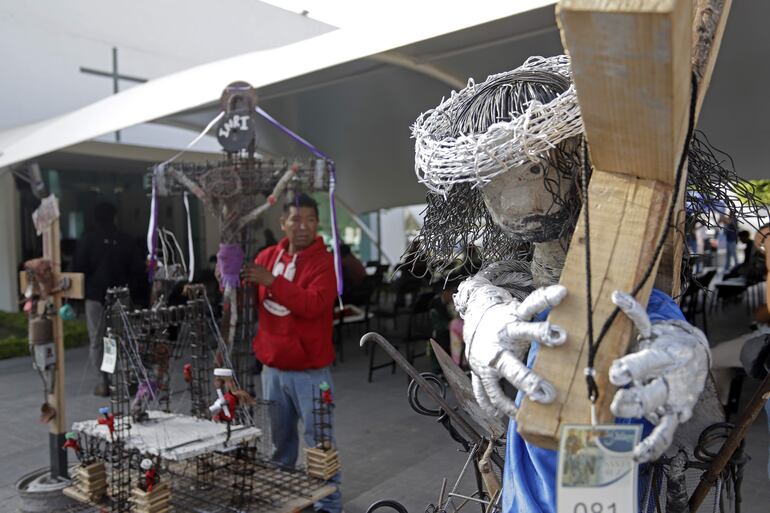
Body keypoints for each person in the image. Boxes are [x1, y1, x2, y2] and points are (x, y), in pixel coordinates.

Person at [407, 55, 763, 512]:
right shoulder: (512, 286)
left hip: (593, 453)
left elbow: (646, 308)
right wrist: (482, 310)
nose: (514, 191)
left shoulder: (618, 290)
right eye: (493, 176)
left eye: (534, 165)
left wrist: (678, 341)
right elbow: (491, 286)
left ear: (576, 161)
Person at [241, 193, 342, 513]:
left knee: (320, 446)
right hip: (273, 369)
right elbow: (245, 297)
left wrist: (272, 282)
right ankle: (287, 504)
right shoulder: (267, 256)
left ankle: (328, 507)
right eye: (296, 220)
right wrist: (227, 277)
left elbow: (314, 305)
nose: (304, 226)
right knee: (280, 447)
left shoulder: (324, 261)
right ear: (283, 223)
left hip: (311, 371)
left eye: (311, 220)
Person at [72, 201, 143, 396]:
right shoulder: (126, 240)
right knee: (122, 337)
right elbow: (137, 270)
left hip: (95, 297)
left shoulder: (88, 240)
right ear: (115, 217)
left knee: (97, 339)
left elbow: (79, 269)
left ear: (94, 218)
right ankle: (128, 379)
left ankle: (103, 382)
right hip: (120, 297)